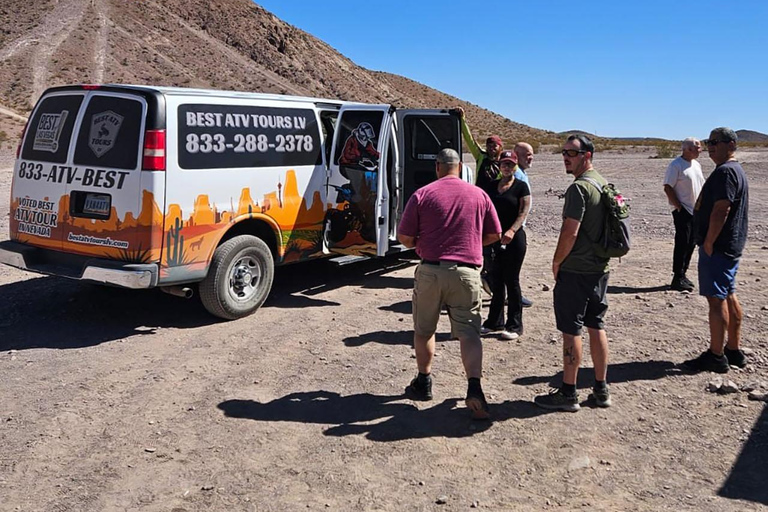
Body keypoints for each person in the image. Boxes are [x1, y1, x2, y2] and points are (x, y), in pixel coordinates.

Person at [397, 148, 502, 419]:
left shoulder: (423, 194)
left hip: (431, 269)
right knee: (469, 333)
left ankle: (424, 381)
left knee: (424, 330)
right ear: (460, 167)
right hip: (467, 272)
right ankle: (474, 388)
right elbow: (495, 233)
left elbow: (405, 237)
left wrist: (420, 243)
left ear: (437, 167)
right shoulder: (479, 194)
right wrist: (471, 244)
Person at [535, 135, 611, 412]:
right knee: (596, 325)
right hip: (600, 268)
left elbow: (571, 231)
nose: (565, 156)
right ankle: (601, 389)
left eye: (572, 152)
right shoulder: (602, 183)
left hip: (576, 269)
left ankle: (569, 392)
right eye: (564, 151)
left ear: (586, 156)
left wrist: (557, 262)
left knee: (571, 331)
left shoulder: (579, 189)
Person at [683, 128, 749, 374]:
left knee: (716, 299)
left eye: (716, 142)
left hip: (720, 246)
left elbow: (722, 209)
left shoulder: (726, 172)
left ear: (731, 144)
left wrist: (709, 241)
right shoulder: (734, 170)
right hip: (729, 244)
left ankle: (716, 354)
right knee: (728, 293)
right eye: (709, 142)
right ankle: (733, 349)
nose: (710, 147)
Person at [456, 106, 511, 296]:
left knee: (495, 240)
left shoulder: (505, 164)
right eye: (488, 145)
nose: (490, 148)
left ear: (500, 147)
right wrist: (462, 120)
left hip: (496, 206)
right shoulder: (481, 157)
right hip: (478, 204)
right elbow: (469, 140)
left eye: (494, 145)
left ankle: (493, 278)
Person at [481, 150, 530, 340]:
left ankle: (514, 325)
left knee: (512, 280)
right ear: (499, 166)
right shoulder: (492, 186)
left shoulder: (521, 186)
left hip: (514, 239)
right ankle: (494, 321)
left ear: (515, 166)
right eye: (504, 164)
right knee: (496, 280)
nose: (507, 167)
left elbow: (523, 211)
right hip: (495, 239)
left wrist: (512, 230)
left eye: (510, 164)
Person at [663, 138, 705, 292]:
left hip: (696, 211)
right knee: (682, 243)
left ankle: (683, 274)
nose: (700, 150)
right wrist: (678, 206)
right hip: (683, 211)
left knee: (691, 242)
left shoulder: (696, 165)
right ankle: (677, 277)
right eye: (697, 147)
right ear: (687, 149)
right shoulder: (676, 165)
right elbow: (668, 187)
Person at [513, 142, 535, 308]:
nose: (530, 158)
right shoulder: (517, 175)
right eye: (527, 155)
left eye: (531, 154)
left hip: (518, 226)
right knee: (512, 266)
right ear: (517, 155)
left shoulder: (522, 174)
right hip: (514, 228)